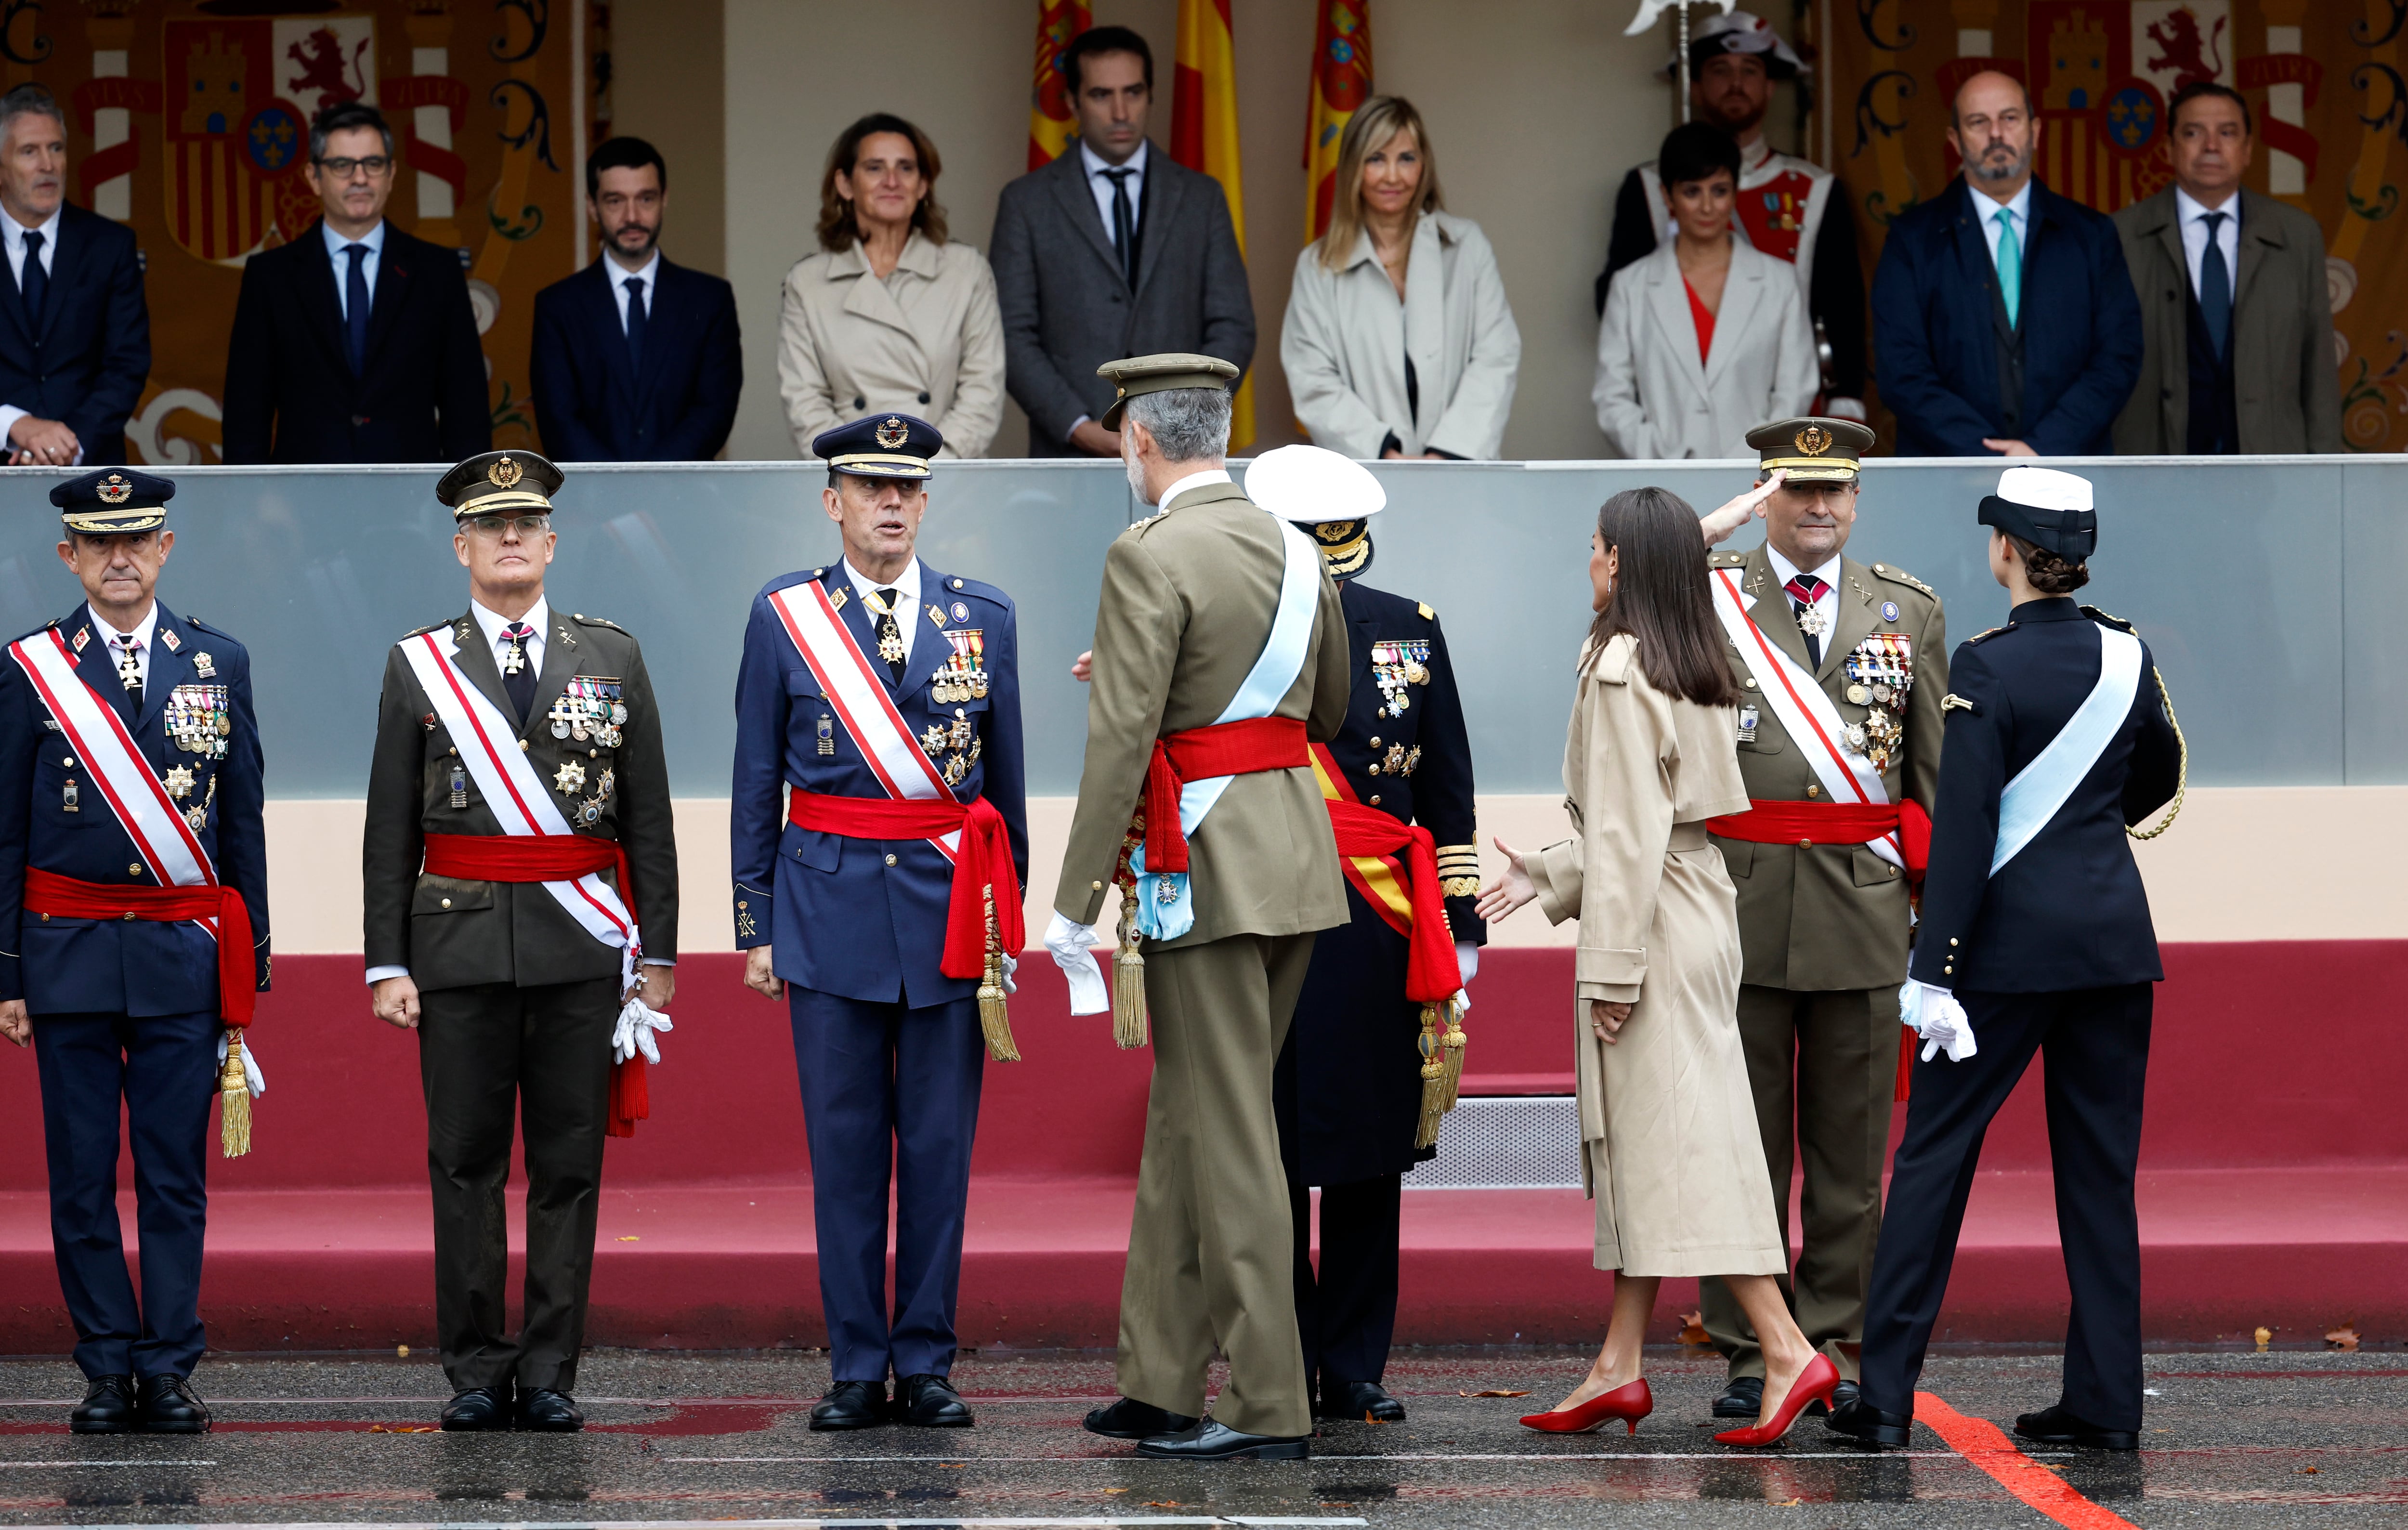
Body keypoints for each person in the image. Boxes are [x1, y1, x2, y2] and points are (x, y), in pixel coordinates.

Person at [1829, 467, 2184, 1454]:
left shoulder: (1985, 667)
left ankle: (1888, 1396)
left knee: (1933, 1165)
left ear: (2005, 552)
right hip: (2114, 948)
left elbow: (1966, 823)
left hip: (1998, 962)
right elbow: (2153, 775)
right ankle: (2107, 1400)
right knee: (2100, 1182)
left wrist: (1931, 968)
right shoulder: (2127, 652)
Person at [1478, 485, 1837, 1447]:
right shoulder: (1690, 645)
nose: (1587, 562)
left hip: (1652, 922)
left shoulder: (1622, 664)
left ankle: (1783, 1342)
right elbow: (1655, 821)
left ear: (1623, 564)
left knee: (1682, 1147)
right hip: (1696, 901)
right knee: (1658, 1138)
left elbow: (1631, 832)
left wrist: (1612, 967)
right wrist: (1554, 873)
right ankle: (1619, 1362)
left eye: (1598, 548)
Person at [1043, 354, 1348, 1461]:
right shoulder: (1301, 550)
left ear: (1137, 440)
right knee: (1189, 1118)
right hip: (1291, 860)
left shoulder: (1147, 551)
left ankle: (1270, 1397)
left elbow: (1124, 737)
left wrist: (1075, 895)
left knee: (1227, 1137)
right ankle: (1159, 1375)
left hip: (1200, 869)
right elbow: (1334, 703)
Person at [362, 451, 679, 1432]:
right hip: (455, 953)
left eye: (525, 523)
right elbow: (390, 827)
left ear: (551, 542)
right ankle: (472, 1366)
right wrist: (385, 959)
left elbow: (648, 818)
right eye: (489, 524)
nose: (509, 537)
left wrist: (659, 955)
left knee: (568, 1165)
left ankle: (548, 1369)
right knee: (464, 1165)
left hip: (580, 954)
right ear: (461, 545)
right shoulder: (418, 663)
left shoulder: (612, 656)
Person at [729, 413, 1027, 1432]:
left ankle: (928, 1359)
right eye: (868, 487)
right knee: (846, 1151)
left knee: (939, 1151)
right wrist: (754, 922)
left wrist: (1005, 918)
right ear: (833, 501)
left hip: (951, 918)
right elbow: (755, 780)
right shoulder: (784, 618)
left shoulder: (983, 616)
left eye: (905, 488)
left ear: (925, 502)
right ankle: (857, 1362)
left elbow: (1009, 791)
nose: (889, 504)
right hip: (827, 912)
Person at [1688, 418, 1945, 1422]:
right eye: (1797, 491)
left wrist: (1938, 913)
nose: (1818, 509)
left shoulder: (1907, 610)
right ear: (1764, 494)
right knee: (1741, 1150)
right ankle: (1753, 1345)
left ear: (1856, 500)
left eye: (1835, 492)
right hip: (1736, 909)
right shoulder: (1711, 598)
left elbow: (1930, 777)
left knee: (1847, 1158)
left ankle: (1833, 1337)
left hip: (1863, 910)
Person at [0, 469, 268, 1434]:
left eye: (138, 539)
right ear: (68, 555)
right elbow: (4, 833)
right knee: (78, 1174)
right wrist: (7, 974)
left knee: (172, 1175)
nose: (120, 557)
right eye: (98, 542)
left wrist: (250, 964)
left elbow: (244, 824)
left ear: (165, 549)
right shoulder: (29, 666)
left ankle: (168, 1363)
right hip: (65, 955)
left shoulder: (218, 661)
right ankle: (105, 1365)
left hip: (178, 960)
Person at [1218, 445, 1481, 1424]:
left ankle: (1356, 1361)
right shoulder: (1234, 628)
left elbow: (1446, 787)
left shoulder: (1406, 629)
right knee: (1272, 1148)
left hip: (1378, 925)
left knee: (1373, 1152)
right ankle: (1281, 1350)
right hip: (1266, 912)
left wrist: (1459, 931)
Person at [990, 27, 1254, 458]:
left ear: (1151, 95)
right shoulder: (1026, 202)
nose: (1120, 111)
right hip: (1069, 458)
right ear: (1073, 102)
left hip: (1182, 454)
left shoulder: (1202, 197)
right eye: (1101, 95)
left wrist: (1184, 421)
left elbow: (1233, 325)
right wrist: (1077, 425)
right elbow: (1011, 335)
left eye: (1133, 92)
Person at [1593, 11, 1866, 419]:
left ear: (1771, 85)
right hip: (1673, 410)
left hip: (1784, 406)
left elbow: (1842, 304)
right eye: (1720, 70)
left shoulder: (1815, 187)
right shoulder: (1647, 186)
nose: (1736, 84)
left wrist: (1847, 399)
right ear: (1697, 87)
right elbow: (1621, 306)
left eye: (1750, 71)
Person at [1869, 71, 2142, 458]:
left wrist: (2041, 447)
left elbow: (2119, 357)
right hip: (1948, 476)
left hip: (2069, 470)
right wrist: (1992, 455)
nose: (1996, 134)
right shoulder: (1912, 240)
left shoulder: (2092, 235)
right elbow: (1902, 371)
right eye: (1978, 122)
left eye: (2010, 118)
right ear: (1955, 140)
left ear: (2035, 130)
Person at [223, 102, 489, 465]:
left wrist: (470, 505)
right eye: (342, 165)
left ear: (392, 174)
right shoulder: (271, 277)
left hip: (414, 497)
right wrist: (250, 505)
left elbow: (466, 408)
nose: (360, 178)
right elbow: (246, 413)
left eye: (373, 164)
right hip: (300, 500)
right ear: (313, 177)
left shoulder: (437, 272)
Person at [1280, 97, 1520, 460]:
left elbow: (1496, 357)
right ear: (1353, 167)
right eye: (1376, 158)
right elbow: (1312, 380)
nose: (1393, 175)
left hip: (1460, 473)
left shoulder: (1467, 246)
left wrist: (1443, 457)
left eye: (1406, 158)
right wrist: (1388, 457)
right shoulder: (1318, 266)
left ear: (1424, 166)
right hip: (1365, 475)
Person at [2112, 81, 2342, 455]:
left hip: (2272, 468)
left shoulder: (2297, 236)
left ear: (2248, 149)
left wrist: (2325, 474)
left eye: (2227, 133)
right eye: (2193, 133)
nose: (2212, 147)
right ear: (2169, 148)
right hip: (2152, 466)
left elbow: (2317, 370)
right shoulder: (2119, 237)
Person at [779, 116, 1005, 461]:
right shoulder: (808, 283)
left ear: (923, 184)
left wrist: (926, 470)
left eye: (906, 168)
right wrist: (860, 474)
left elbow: (982, 392)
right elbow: (805, 403)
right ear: (845, 184)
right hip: (851, 485)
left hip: (948, 479)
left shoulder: (966, 270)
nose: (892, 181)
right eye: (874, 168)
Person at [1595, 124, 1816, 460]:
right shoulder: (1630, 286)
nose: (1708, 207)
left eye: (1720, 190)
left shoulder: (1780, 282)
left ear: (1736, 191)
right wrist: (1661, 453)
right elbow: (1613, 397)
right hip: (1660, 480)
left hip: (1755, 478)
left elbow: (1795, 388)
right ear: (1667, 195)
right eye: (1692, 192)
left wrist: (1752, 457)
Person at [531, 136, 743, 461]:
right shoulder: (557, 306)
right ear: (592, 205)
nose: (632, 216)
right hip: (592, 504)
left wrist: (652, 487)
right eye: (615, 201)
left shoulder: (709, 300)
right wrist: (616, 494)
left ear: (665, 199)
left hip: (683, 499)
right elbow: (559, 421)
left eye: (646, 199)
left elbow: (713, 411)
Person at [0, 85, 149, 467]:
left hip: (89, 471)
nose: (48, 165)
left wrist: (65, 446)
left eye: (57, 148)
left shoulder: (110, 245)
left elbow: (126, 365)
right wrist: (15, 424)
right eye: (29, 151)